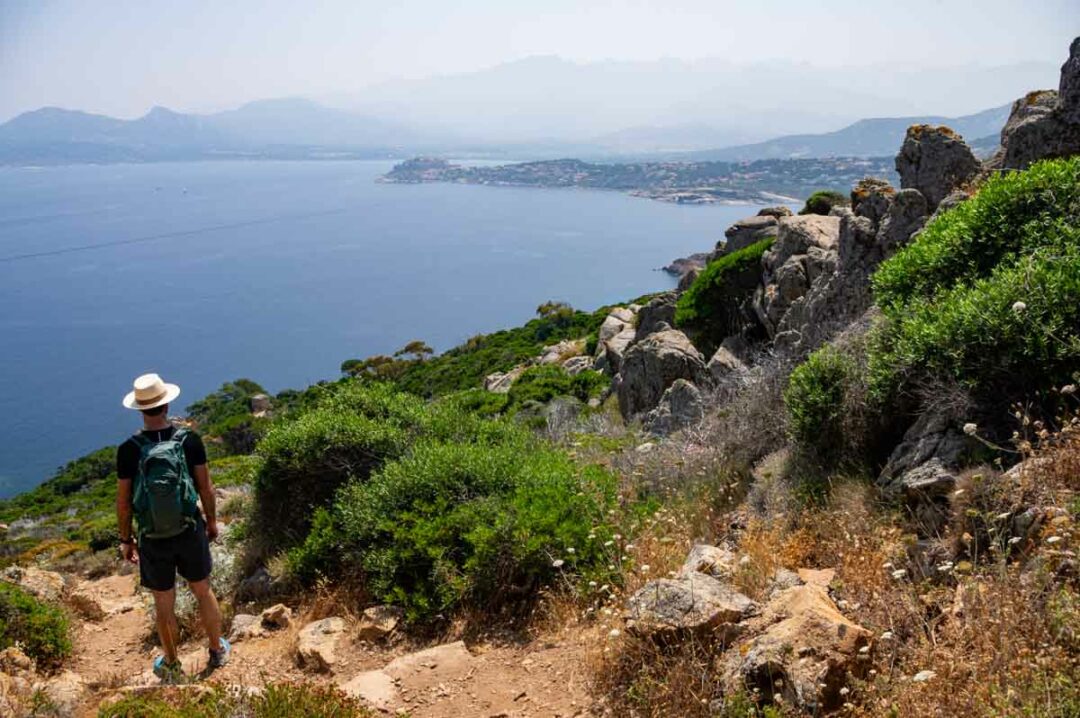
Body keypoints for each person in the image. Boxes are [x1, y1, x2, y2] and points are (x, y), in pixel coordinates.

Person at [116, 373, 231, 682]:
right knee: (202, 591)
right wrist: (211, 522)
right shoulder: (188, 440)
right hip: (188, 529)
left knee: (163, 604)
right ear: (166, 404)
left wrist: (126, 540)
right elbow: (205, 488)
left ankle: (171, 664)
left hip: (152, 537)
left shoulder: (129, 449)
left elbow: (124, 503)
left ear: (140, 409)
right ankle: (216, 652)